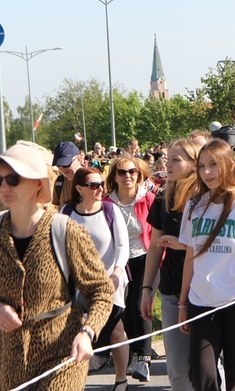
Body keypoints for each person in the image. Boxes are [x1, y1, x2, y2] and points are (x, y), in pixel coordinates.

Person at [0, 144, 114, 390]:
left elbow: (101, 290)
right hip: (6, 357)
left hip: (61, 353)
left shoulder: (65, 231)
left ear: (38, 183)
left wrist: (88, 332)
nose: (4, 187)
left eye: (13, 179)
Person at [178, 139, 235, 391]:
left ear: (230, 166)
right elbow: (190, 258)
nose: (207, 172)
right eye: (202, 166)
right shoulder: (193, 206)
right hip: (202, 302)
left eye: (213, 165)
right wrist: (183, 302)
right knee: (200, 374)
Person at [62, 167, 130, 390]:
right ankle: (74, 382)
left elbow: (122, 247)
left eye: (101, 184)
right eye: (93, 185)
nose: (99, 189)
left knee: (115, 333)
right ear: (80, 188)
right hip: (77, 287)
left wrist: (116, 275)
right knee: (75, 332)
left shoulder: (110, 210)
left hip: (110, 284)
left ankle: (121, 380)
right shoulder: (67, 212)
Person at [141, 139, 200, 391]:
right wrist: (146, 289)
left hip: (206, 290)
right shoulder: (162, 196)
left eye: (176, 159)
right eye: (168, 158)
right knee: (176, 368)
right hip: (171, 289)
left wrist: (183, 244)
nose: (168, 164)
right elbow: (155, 246)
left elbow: (219, 246)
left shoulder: (206, 198)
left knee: (206, 366)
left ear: (193, 163)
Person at [104, 155, 156, 381]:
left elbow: (156, 232)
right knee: (123, 310)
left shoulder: (150, 199)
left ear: (140, 175)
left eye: (132, 172)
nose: (127, 176)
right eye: (122, 172)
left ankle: (144, 359)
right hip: (118, 263)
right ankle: (135, 352)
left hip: (146, 258)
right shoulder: (106, 203)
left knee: (138, 305)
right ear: (114, 177)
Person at [52, 141, 83, 208]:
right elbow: (58, 209)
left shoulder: (94, 180)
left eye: (66, 164)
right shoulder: (59, 182)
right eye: (58, 165)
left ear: (79, 159)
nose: (62, 168)